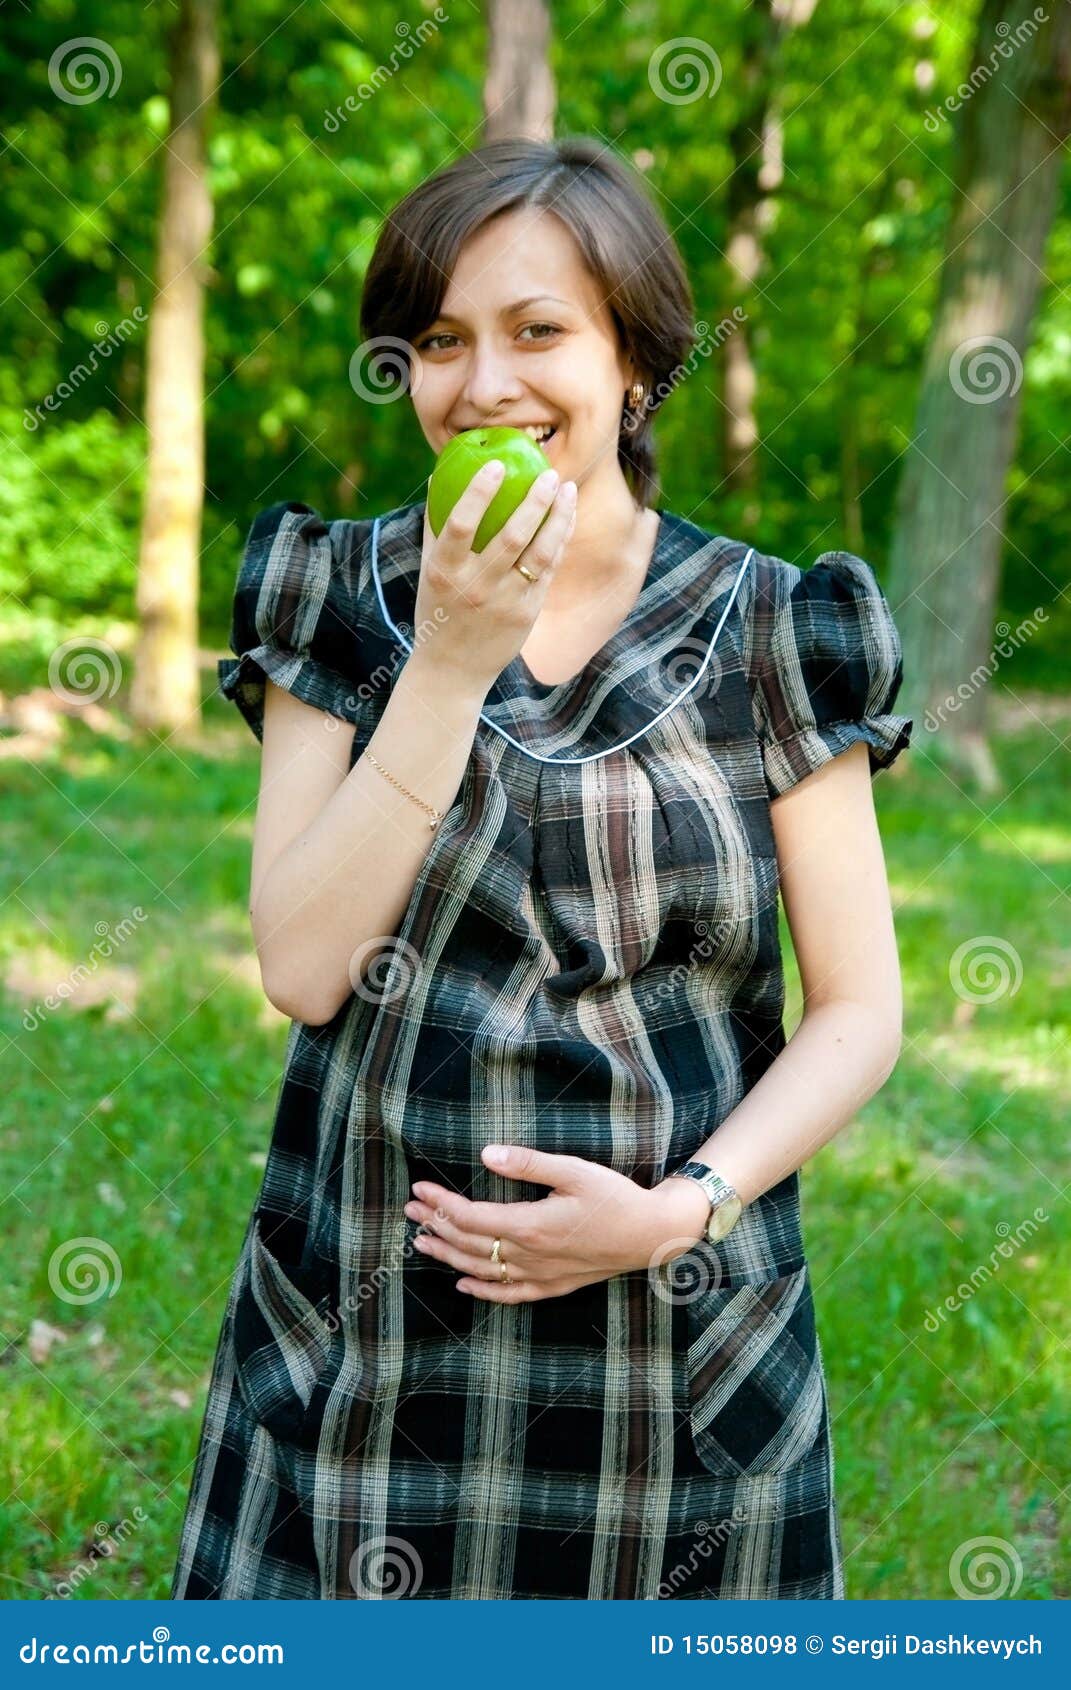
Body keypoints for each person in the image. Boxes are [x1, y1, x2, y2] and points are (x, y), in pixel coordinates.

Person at [170, 136, 912, 1601]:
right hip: (373, 1335)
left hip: (673, 1339)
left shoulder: (775, 626)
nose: (484, 384)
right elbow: (304, 961)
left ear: (636, 358)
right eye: (440, 340)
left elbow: (860, 1008)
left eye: (537, 330)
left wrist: (683, 1204)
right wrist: (445, 663)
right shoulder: (337, 595)